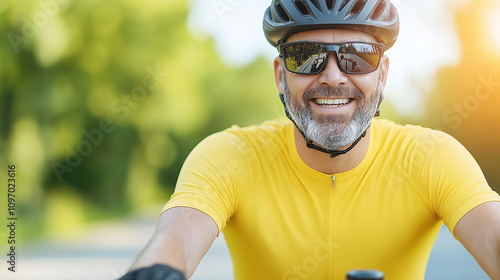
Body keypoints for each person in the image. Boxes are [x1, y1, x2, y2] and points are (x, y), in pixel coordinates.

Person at [119, 0, 500, 279]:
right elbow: (179, 234)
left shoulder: (431, 157)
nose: (333, 76)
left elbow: (492, 233)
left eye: (357, 56)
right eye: (305, 56)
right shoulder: (229, 155)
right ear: (280, 76)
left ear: (382, 74)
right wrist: (156, 271)